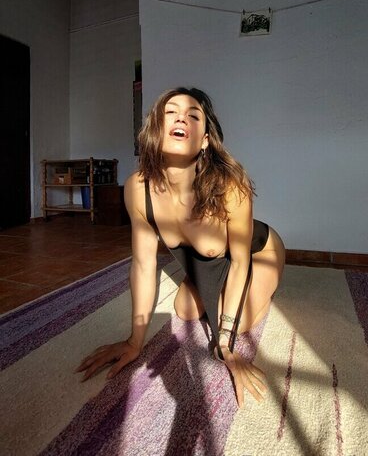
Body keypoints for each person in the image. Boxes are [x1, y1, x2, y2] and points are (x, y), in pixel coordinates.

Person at [77, 87, 285, 407]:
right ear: (155, 130)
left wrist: (226, 346)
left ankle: (262, 286)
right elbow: (143, 265)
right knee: (184, 311)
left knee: (235, 325)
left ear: (205, 140)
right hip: (209, 263)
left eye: (193, 115)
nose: (181, 118)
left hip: (257, 254)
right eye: (171, 112)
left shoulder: (231, 184)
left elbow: (240, 262)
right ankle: (206, 284)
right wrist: (134, 341)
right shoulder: (138, 189)